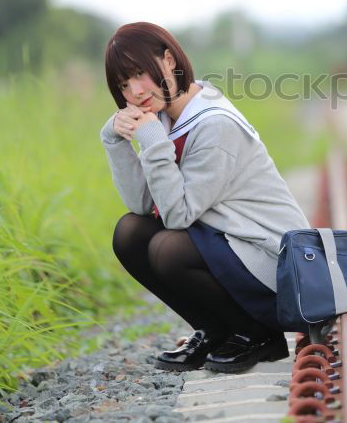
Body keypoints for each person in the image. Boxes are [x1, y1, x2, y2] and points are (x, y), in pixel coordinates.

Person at [99, 22, 311, 373]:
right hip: (230, 245)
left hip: (275, 264)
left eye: (140, 73)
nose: (135, 91)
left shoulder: (214, 124)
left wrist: (151, 139)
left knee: (168, 248)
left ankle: (259, 333)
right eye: (123, 84)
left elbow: (178, 217)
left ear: (168, 60)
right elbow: (141, 205)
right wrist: (113, 139)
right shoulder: (167, 117)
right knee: (131, 232)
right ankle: (216, 331)